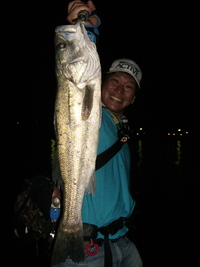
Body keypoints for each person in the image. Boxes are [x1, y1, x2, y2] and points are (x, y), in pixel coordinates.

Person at [53, 1, 143, 266]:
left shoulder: (122, 129)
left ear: (134, 99)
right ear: (101, 83)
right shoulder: (95, 116)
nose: (119, 89)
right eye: (114, 80)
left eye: (129, 87)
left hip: (123, 241)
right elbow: (77, 60)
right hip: (89, 246)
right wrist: (82, 27)